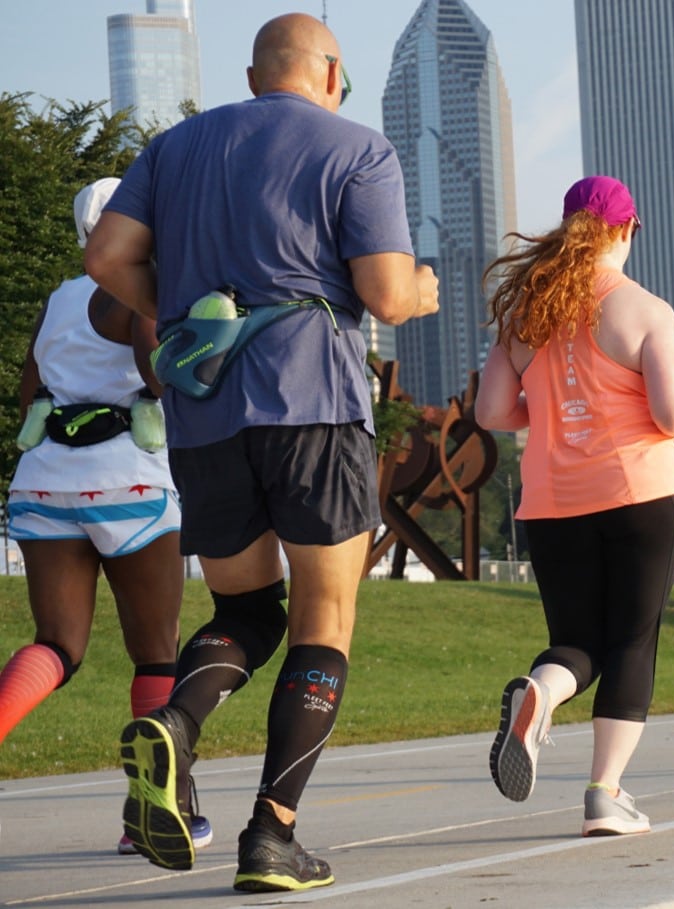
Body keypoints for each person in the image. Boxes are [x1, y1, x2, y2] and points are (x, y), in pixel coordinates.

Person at [84, 13, 439, 892]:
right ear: (330, 73)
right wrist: (424, 290)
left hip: (206, 416)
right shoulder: (358, 148)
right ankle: (272, 835)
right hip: (312, 406)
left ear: (252, 76)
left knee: (249, 612)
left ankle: (175, 721)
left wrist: (174, 306)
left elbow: (105, 256)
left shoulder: (172, 148)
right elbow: (386, 294)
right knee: (325, 621)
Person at [477, 175, 674, 837]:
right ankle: (605, 793)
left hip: (553, 503)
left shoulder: (526, 310)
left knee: (576, 641)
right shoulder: (645, 309)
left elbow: (492, 411)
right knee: (632, 640)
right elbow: (666, 413)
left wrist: (543, 411)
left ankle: (540, 693)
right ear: (627, 230)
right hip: (640, 494)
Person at [0, 178, 213, 856]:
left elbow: (31, 389)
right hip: (130, 483)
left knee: (57, 645)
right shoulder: (139, 289)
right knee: (156, 654)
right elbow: (160, 377)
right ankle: (151, 814)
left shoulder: (59, 297)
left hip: (43, 483)